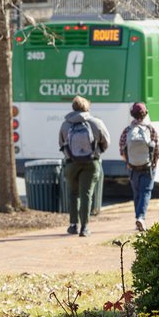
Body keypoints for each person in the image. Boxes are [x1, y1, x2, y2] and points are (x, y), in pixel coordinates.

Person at [58, 95, 110, 237]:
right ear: (87, 107)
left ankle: (73, 225)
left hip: (71, 163)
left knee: (73, 193)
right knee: (86, 194)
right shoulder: (96, 122)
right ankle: (85, 227)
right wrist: (97, 152)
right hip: (91, 163)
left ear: (73, 107)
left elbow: (61, 142)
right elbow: (106, 141)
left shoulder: (65, 124)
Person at [118, 101, 159, 232]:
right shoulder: (150, 129)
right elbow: (157, 149)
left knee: (136, 193)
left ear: (132, 115)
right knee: (145, 192)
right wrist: (154, 164)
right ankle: (141, 217)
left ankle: (138, 217)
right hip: (148, 167)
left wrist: (129, 163)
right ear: (145, 113)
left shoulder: (127, 131)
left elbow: (122, 149)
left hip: (132, 168)